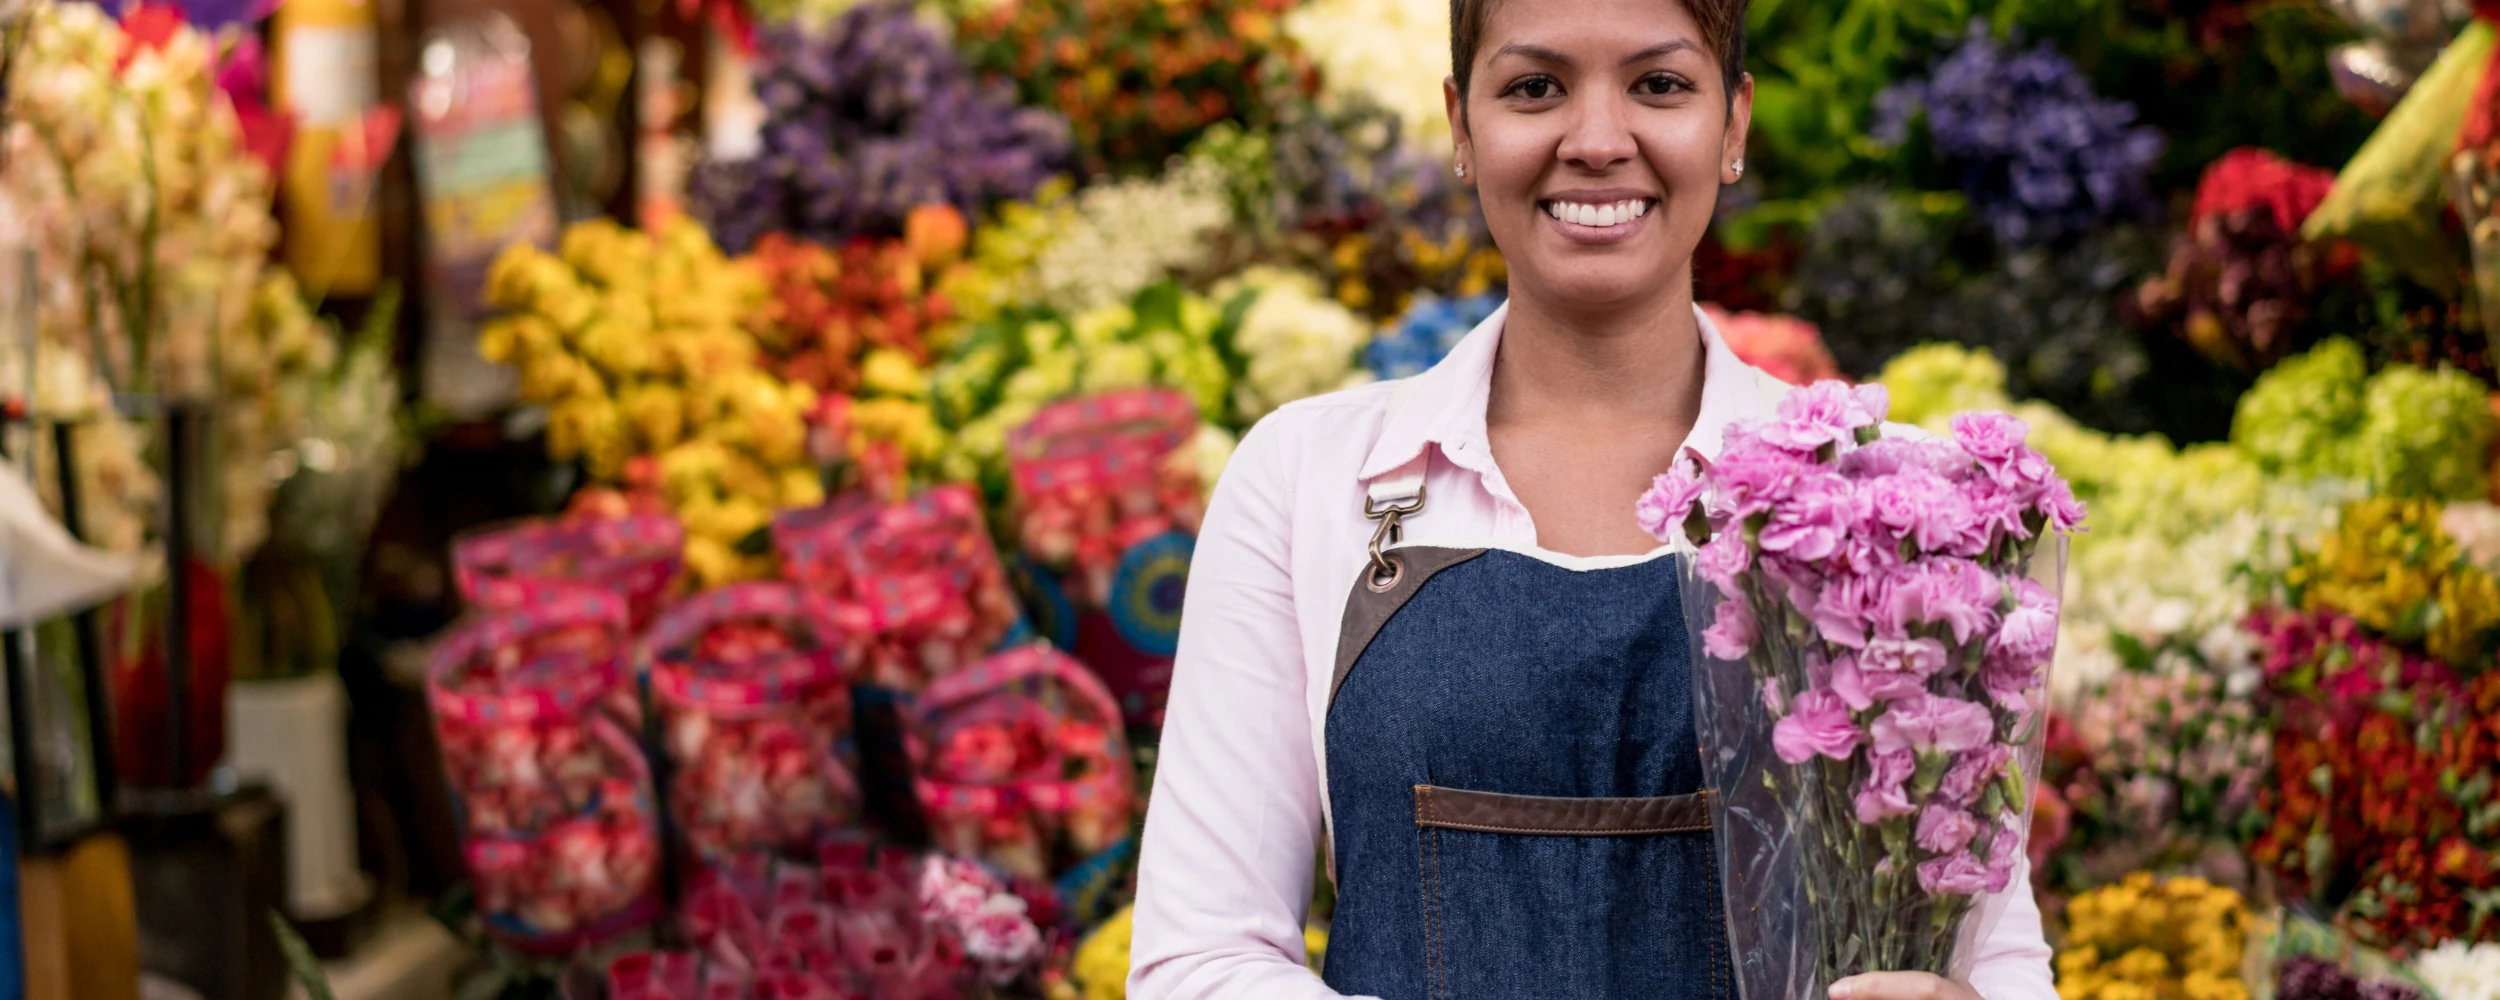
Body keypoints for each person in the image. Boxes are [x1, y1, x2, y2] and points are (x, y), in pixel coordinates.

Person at [1124, 0, 2059, 997]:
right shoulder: (1310, 476)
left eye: (1659, 84)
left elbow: (1993, 963)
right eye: (1536, 87)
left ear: (1733, 124)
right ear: (1461, 126)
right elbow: (1201, 961)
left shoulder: (1886, 508)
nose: (1598, 140)